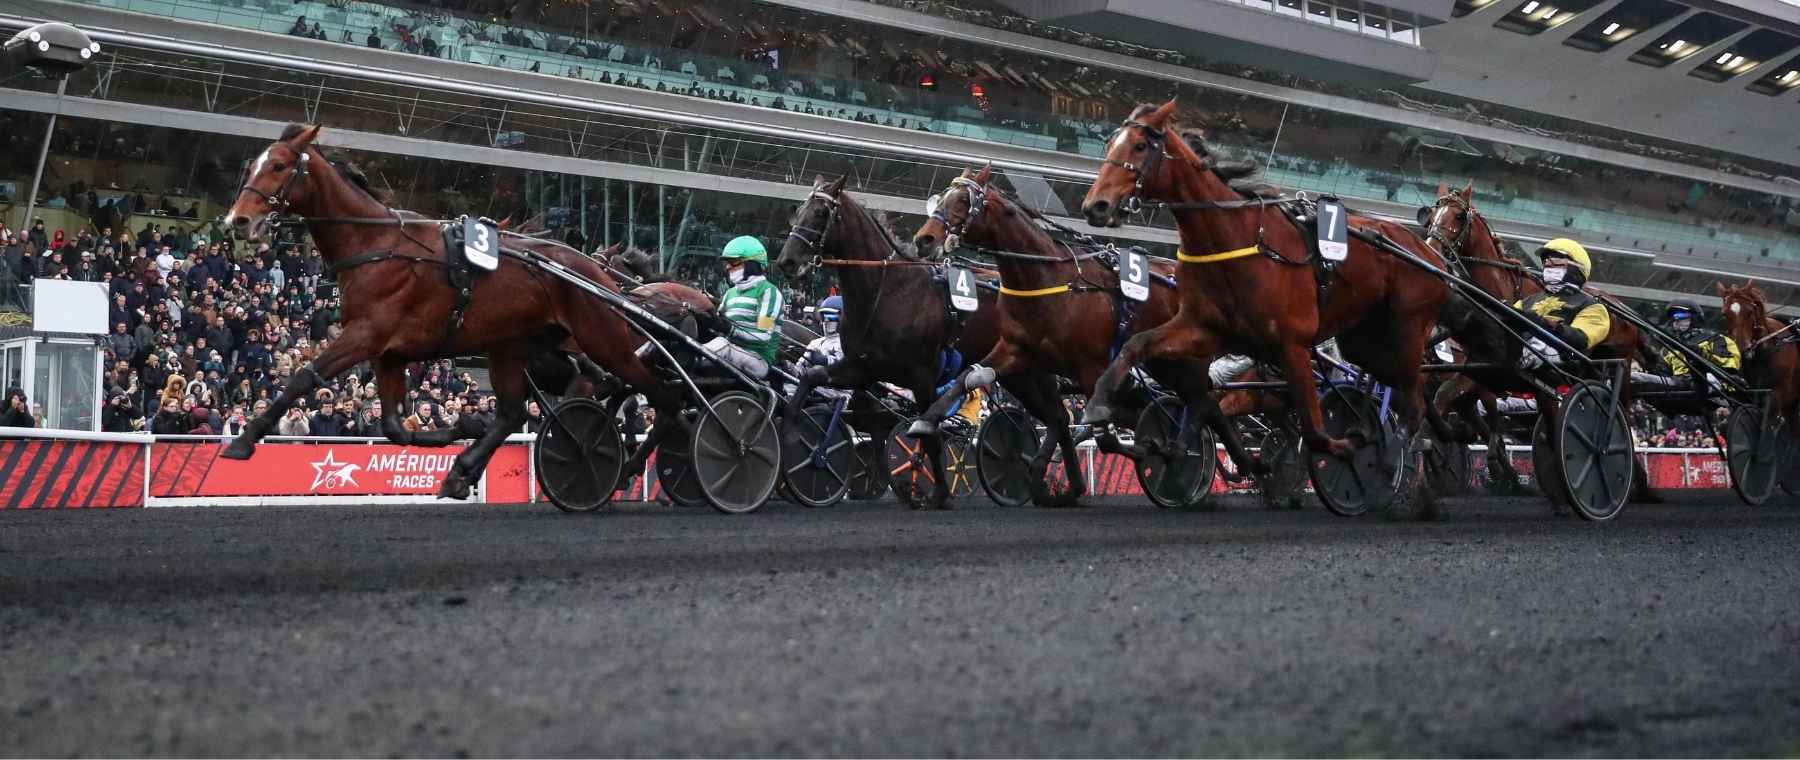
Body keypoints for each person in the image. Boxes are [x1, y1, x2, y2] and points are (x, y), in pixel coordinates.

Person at [1514, 238, 1609, 371]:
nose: (1548, 265)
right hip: (1515, 358)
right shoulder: (1526, 302)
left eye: (1556, 261)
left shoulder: (1593, 307)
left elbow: (1580, 340)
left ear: (1577, 268)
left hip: (1562, 371)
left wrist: (1543, 324)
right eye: (1546, 262)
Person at [702, 236, 783, 378]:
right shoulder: (730, 293)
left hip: (758, 359)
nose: (728, 267)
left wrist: (730, 329)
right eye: (728, 262)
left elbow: (763, 336)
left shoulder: (768, 292)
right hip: (730, 351)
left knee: (722, 344)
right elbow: (719, 323)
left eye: (733, 262)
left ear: (752, 263)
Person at [1634, 300, 1741, 392]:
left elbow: (1731, 365)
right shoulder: (1669, 349)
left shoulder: (1716, 339)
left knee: (1702, 376)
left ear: (1694, 318)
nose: (1676, 320)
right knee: (1634, 377)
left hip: (1711, 385)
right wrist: (1645, 355)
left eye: (1681, 316)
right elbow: (1662, 372)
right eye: (1674, 318)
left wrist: (1700, 353)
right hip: (1680, 386)